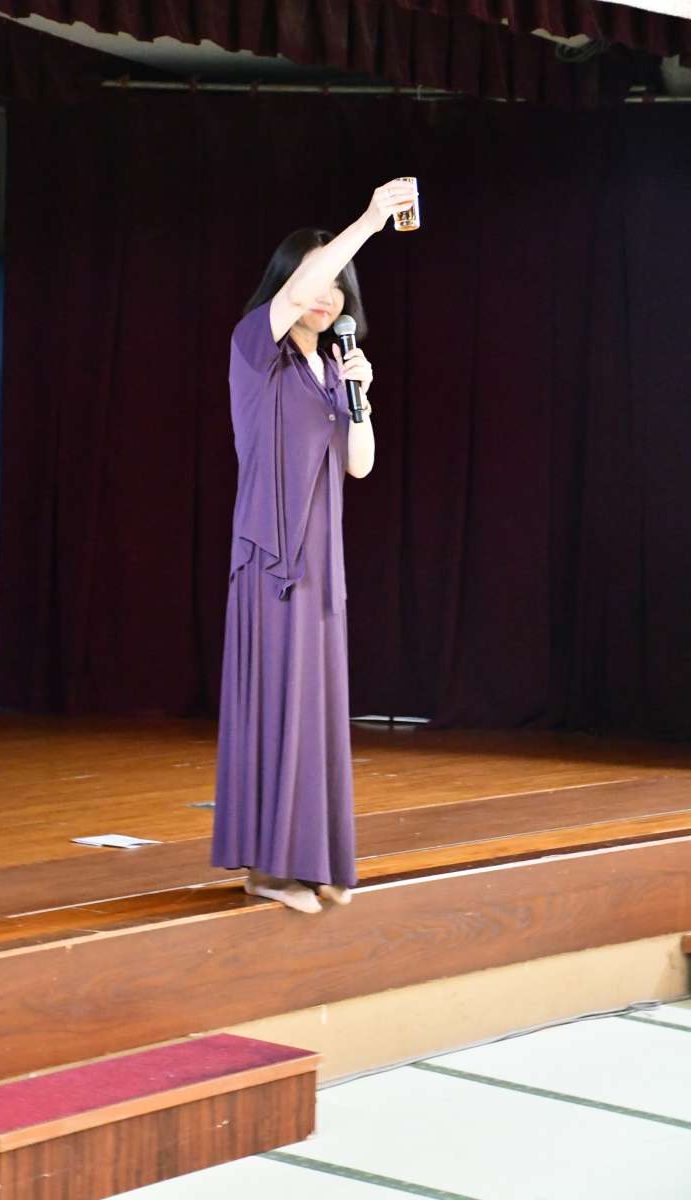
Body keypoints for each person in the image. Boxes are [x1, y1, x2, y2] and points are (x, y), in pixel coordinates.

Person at [211, 179, 419, 914]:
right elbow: (299, 292)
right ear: (289, 283)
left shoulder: (332, 370)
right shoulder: (254, 346)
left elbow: (359, 464)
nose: (327, 298)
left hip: (321, 568)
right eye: (318, 280)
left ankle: (312, 861)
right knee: (279, 707)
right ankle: (268, 869)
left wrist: (361, 398)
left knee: (317, 716)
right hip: (272, 560)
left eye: (339, 287)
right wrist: (371, 218)